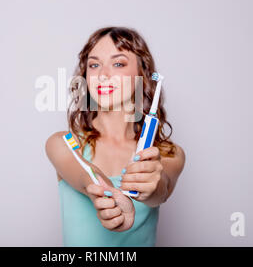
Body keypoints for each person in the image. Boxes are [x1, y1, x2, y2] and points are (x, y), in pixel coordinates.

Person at [45, 26, 185, 246]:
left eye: (118, 63)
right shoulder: (64, 143)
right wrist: (110, 197)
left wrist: (152, 186)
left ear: (142, 74)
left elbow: (161, 190)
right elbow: (86, 174)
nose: (103, 75)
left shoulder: (169, 153)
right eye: (94, 65)